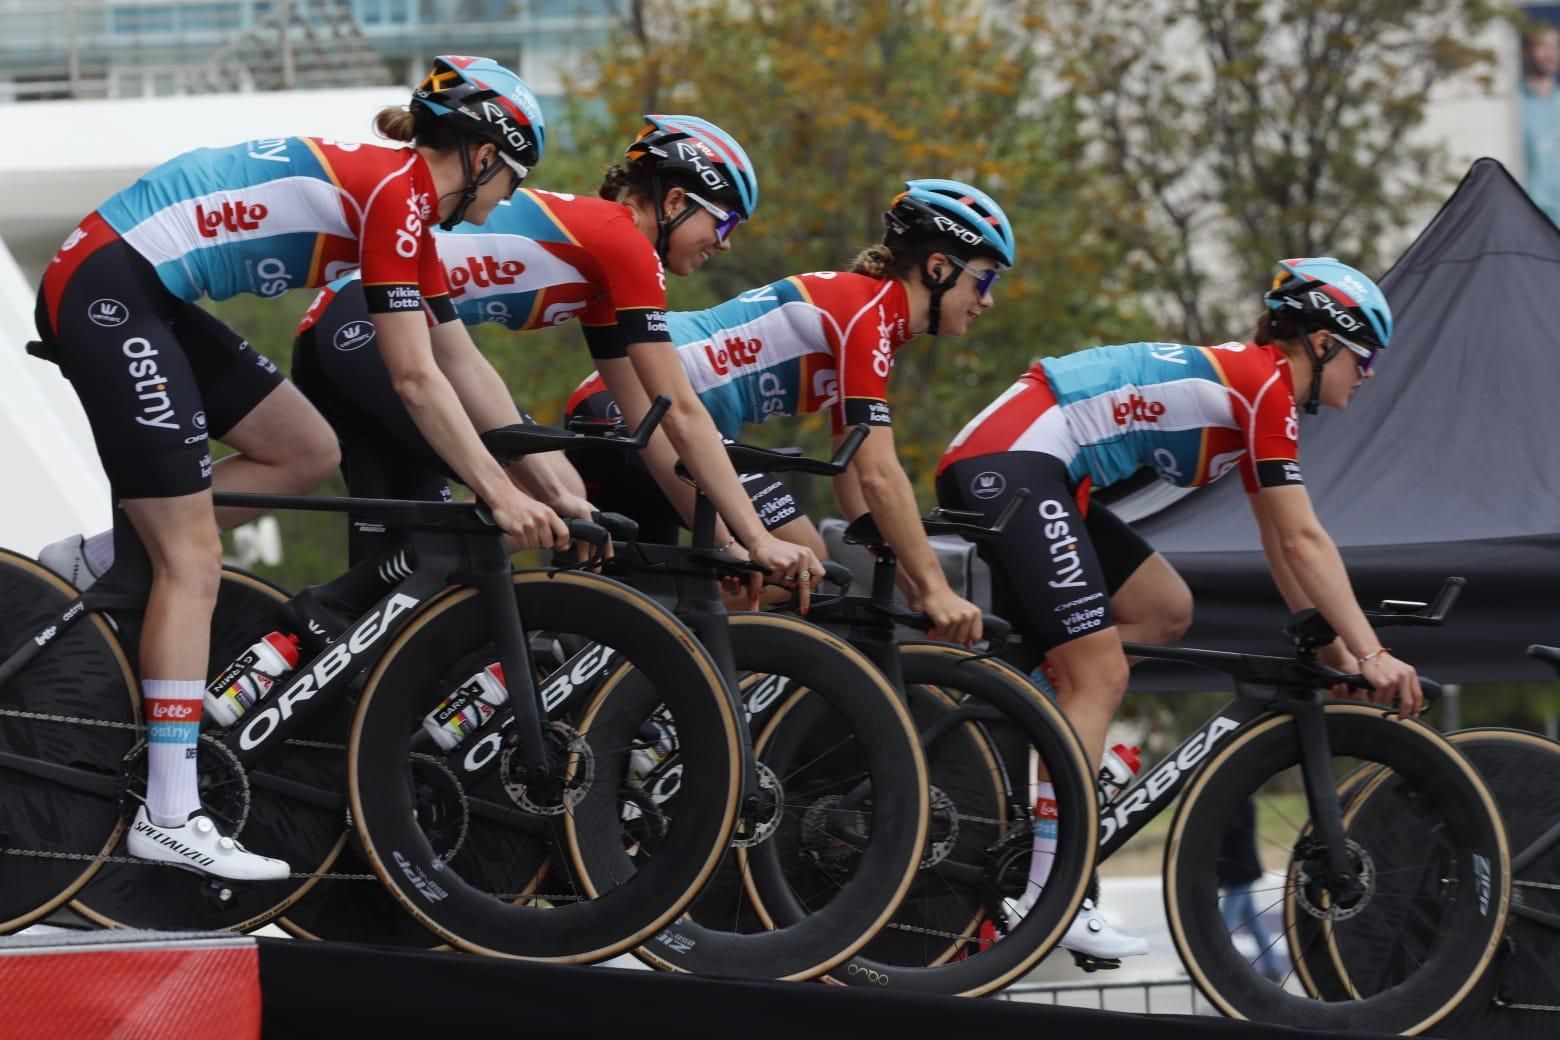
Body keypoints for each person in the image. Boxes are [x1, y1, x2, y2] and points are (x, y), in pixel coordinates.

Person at [32, 54, 556, 881]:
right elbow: (413, 378)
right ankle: (168, 813)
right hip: (109, 285)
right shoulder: (399, 194)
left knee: (307, 451)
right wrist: (495, 491)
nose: (506, 203)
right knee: (194, 557)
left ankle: (100, 556)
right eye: (512, 181)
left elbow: (458, 360)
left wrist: (552, 486)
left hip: (146, 289)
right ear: (485, 153)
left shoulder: (407, 207)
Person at [936, 257, 1424, 958]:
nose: (1369, 372)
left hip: (1035, 465)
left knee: (1163, 608)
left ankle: (1041, 735)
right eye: (1364, 354)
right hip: (1018, 460)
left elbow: (1281, 544)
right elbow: (1303, 537)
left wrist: (1334, 653)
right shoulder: (1267, 389)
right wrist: (1373, 652)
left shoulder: (1254, 384)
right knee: (1099, 675)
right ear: (1322, 342)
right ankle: (1050, 895)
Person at [290, 114, 824, 598]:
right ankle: (321, 615)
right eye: (725, 222)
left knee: (409, 558)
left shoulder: (604, 266)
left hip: (349, 332)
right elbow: (682, 409)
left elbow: (652, 422)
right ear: (677, 202)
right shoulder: (624, 243)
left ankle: (322, 651)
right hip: (368, 329)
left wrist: (726, 542)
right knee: (544, 495)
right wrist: (756, 538)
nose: (725, 244)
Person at [563, 178, 1011, 642]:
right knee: (799, 562)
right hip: (634, 407)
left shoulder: (875, 323)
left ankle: (592, 672)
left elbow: (854, 483)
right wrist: (937, 587)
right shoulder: (865, 314)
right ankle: (663, 674)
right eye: (986, 279)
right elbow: (880, 474)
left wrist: (913, 588)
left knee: (642, 595)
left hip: (619, 409)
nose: (988, 299)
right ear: (939, 268)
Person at [1217, 798, 1284, 982]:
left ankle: (1216, 965)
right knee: (1254, 923)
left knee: (1224, 925)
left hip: (1240, 871)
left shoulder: (1242, 804)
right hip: (1237, 871)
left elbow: (1231, 831)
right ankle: (1272, 966)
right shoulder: (1242, 802)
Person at [1522, 22, 1560, 226]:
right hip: (1530, 221)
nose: (1552, 54)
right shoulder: (1514, 106)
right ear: (1526, 51)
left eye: (1556, 46)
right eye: (1543, 46)